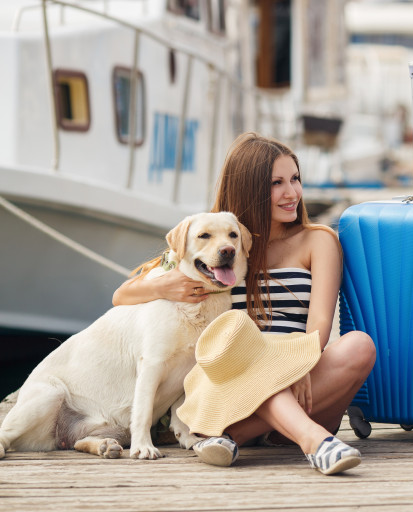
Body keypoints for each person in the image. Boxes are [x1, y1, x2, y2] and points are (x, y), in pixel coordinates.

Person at [113, 132, 376, 474]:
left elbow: (319, 324)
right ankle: (315, 443)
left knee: (359, 346)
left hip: (300, 379)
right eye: (276, 183)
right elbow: (122, 296)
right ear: (250, 189)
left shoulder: (318, 240)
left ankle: (227, 437)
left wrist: (298, 363)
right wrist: (165, 284)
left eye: (295, 179)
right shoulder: (216, 240)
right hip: (233, 387)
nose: (291, 192)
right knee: (242, 346)